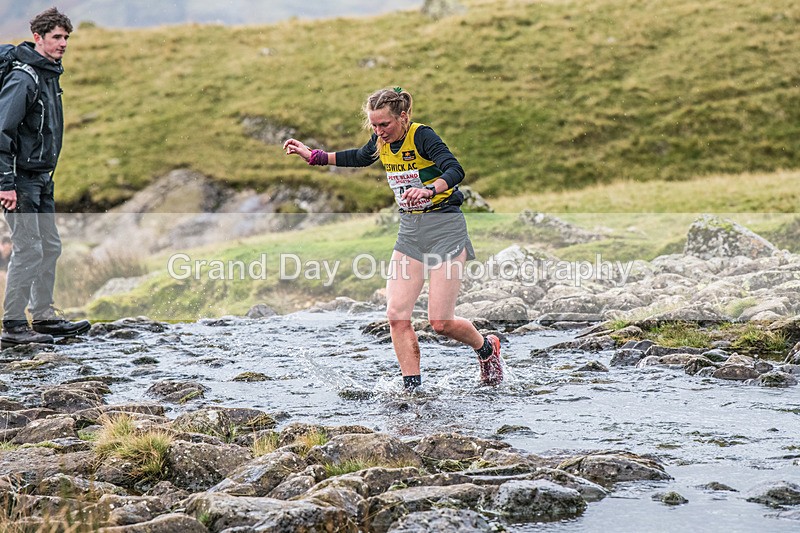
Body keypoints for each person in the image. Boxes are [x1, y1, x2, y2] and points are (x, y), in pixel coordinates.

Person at [283, 87, 503, 389]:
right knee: (397, 315)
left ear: (403, 116)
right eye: (373, 126)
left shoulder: (422, 136)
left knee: (441, 323)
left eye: (384, 125)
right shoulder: (380, 140)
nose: (378, 132)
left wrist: (430, 190)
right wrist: (315, 156)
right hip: (411, 231)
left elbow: (455, 169)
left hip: (446, 229)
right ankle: (413, 391)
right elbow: (360, 157)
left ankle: (487, 349)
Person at [0, 7, 90, 347]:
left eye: (66, 37)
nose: (63, 43)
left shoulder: (49, 74)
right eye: (57, 37)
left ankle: (44, 316)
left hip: (42, 178)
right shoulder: (25, 78)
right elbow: (2, 132)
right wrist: (5, 183)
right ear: (38, 37)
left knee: (50, 245)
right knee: (28, 248)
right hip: (19, 181)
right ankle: (13, 326)